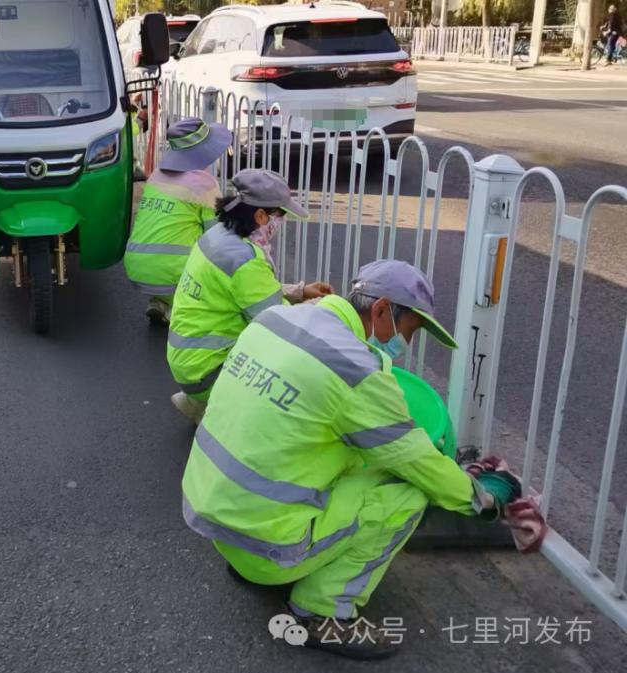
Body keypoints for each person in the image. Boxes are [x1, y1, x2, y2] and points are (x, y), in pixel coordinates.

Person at [180, 259, 518, 659]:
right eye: (407, 330)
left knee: (337, 450)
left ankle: (257, 566)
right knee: (409, 491)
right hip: (265, 546)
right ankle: (324, 613)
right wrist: (484, 500)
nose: (404, 343)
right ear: (380, 310)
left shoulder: (276, 320)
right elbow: (421, 464)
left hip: (218, 524)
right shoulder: (355, 370)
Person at [166, 169, 332, 423]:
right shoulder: (245, 259)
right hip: (210, 371)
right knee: (298, 369)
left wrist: (298, 291)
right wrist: (320, 307)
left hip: (189, 363)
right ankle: (220, 407)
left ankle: (200, 401)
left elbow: (243, 292)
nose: (282, 222)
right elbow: (280, 323)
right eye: (281, 215)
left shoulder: (218, 236)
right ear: (261, 215)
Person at [124, 118, 231, 325]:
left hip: (136, 266)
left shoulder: (156, 176)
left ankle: (161, 301)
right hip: (174, 273)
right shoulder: (203, 183)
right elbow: (216, 236)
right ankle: (178, 311)